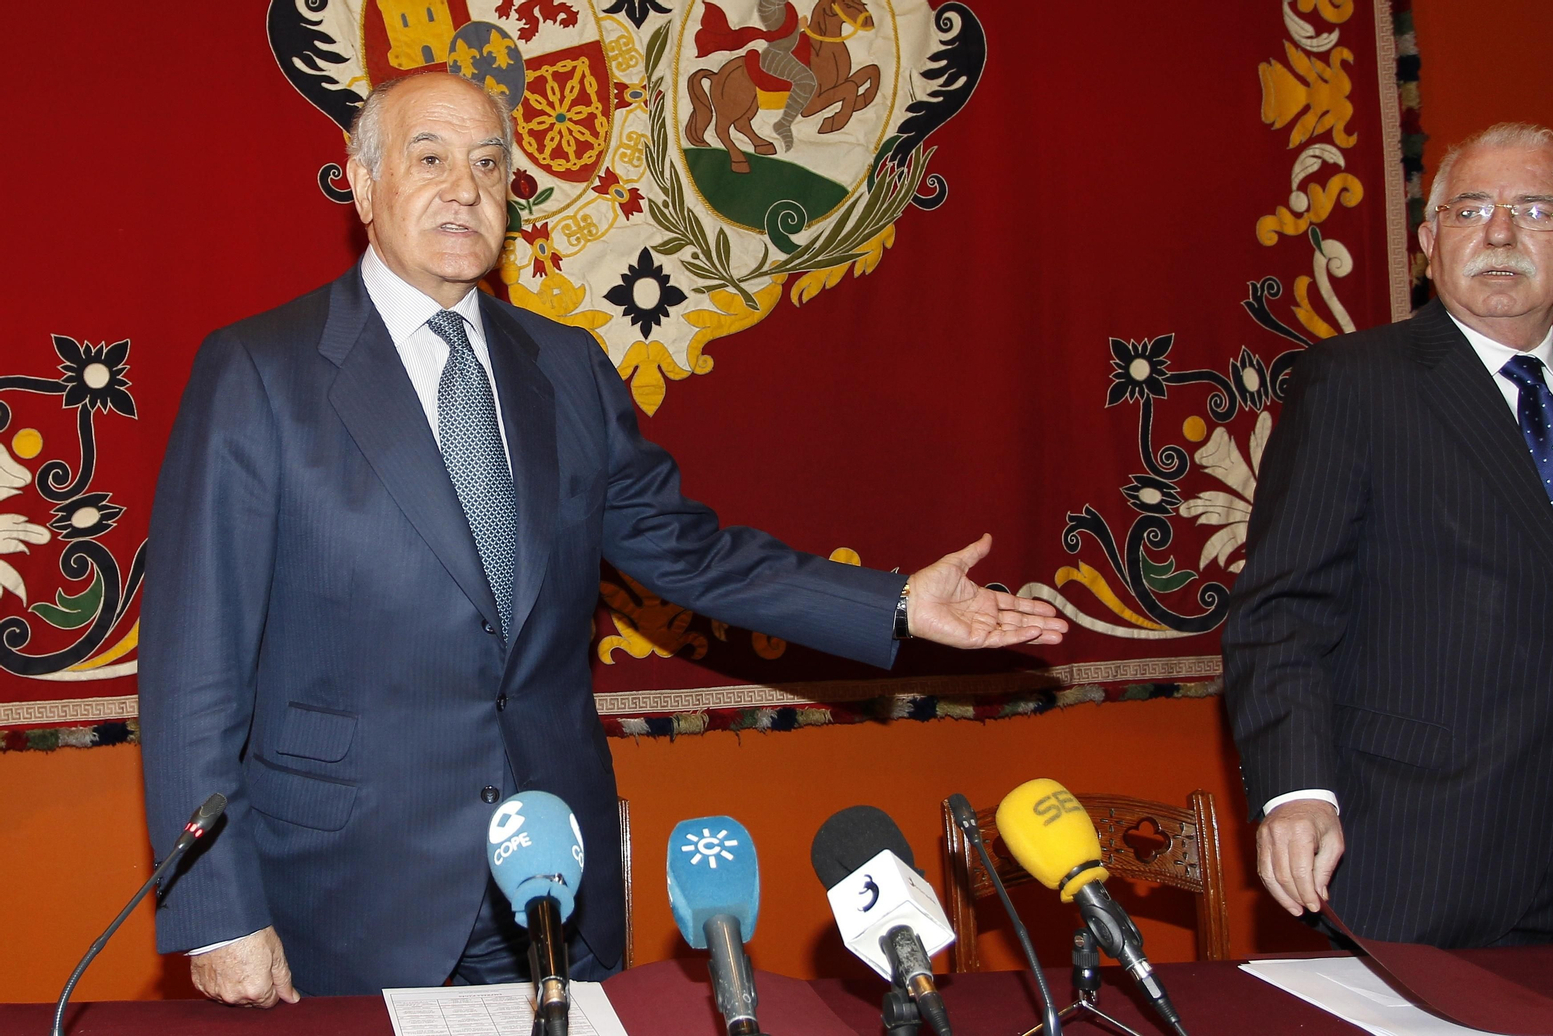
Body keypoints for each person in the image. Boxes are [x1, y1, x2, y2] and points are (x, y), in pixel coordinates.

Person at [139, 71, 1066, 1006]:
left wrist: (898, 601)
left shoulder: (567, 367)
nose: (465, 187)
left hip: (554, 881)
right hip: (346, 892)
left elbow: (687, 553)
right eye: (430, 159)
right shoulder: (257, 371)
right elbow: (192, 663)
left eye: (490, 164)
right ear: (363, 184)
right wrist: (214, 908)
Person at [1224, 122, 1553, 947]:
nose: (1500, 233)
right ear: (1429, 244)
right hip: (1424, 856)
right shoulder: (1355, 383)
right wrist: (1297, 793)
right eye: (1469, 211)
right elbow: (1280, 613)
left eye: (1536, 210)